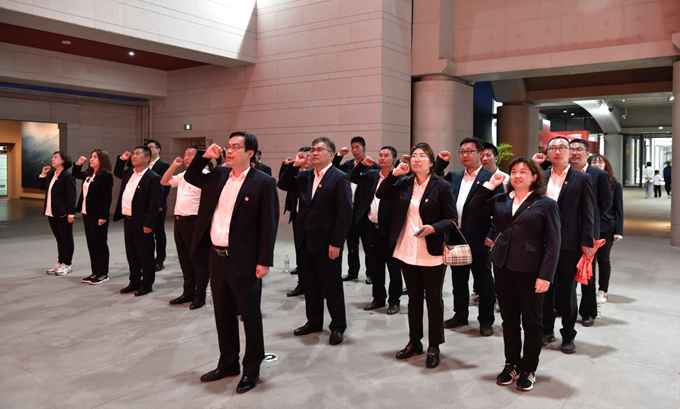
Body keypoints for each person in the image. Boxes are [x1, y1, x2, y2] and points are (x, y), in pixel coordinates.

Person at [185, 133, 279, 394]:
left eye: (236, 147)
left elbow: (269, 224)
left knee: (249, 316)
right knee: (223, 313)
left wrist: (264, 260)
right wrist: (205, 157)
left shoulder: (263, 182)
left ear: (250, 153)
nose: (229, 150)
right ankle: (228, 363)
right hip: (216, 256)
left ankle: (252, 369)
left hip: (245, 260)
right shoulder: (218, 175)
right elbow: (191, 176)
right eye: (228, 146)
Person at [468, 157, 560, 391]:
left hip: (531, 269)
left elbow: (553, 244)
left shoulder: (546, 204)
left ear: (534, 177)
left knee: (532, 322)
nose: (518, 175)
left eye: (523, 171)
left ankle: (529, 368)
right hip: (503, 266)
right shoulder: (500, 199)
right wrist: (490, 184)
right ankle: (512, 364)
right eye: (514, 171)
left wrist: (546, 275)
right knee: (509, 320)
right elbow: (473, 208)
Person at [376, 142, 457, 369]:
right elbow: (381, 193)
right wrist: (394, 174)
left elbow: (452, 220)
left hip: (431, 251)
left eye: (422, 156)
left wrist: (433, 228)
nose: (417, 159)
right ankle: (414, 341)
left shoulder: (442, 186)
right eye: (413, 156)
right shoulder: (404, 183)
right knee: (413, 299)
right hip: (407, 248)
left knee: (433, 300)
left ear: (431, 162)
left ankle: (434, 345)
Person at [278, 137, 353, 346]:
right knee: (310, 284)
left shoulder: (339, 177)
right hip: (305, 239)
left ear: (331, 154)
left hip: (328, 242)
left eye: (320, 150)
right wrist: (295, 165)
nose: (314, 153)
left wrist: (337, 242)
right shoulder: (304, 175)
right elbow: (283, 183)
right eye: (313, 150)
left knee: (332, 285)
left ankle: (338, 326)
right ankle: (314, 321)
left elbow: (345, 213)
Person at [436, 137, 504, 337]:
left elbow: (499, 210)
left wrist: (492, 233)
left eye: (469, 151)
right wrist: (441, 163)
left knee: (484, 282)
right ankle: (460, 315)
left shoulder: (491, 177)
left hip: (480, 237)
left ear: (480, 154)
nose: (465, 155)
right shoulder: (454, 176)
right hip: (456, 236)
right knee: (458, 279)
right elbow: (434, 181)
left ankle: (486, 320)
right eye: (462, 151)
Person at [533, 136, 594, 354]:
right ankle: (546, 330)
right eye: (553, 148)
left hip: (569, 243)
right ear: (547, 153)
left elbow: (588, 213)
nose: (557, 151)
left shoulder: (582, 178)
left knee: (567, 291)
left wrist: (587, 242)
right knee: (543, 289)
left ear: (569, 152)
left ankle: (568, 335)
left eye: (562, 148)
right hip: (542, 242)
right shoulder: (541, 177)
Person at [350, 146, 403, 315]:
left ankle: (394, 301)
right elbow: (352, 177)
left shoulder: (400, 178)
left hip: (391, 231)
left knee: (394, 269)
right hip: (371, 228)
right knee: (375, 266)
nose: (382, 158)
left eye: (386, 155)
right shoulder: (372, 175)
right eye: (380, 155)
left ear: (394, 159)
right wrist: (362, 165)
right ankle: (378, 298)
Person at [569, 139, 611, 327]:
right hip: (565, 230)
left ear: (588, 153)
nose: (574, 152)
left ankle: (588, 312)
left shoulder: (599, 175)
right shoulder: (564, 172)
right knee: (565, 272)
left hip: (589, 231)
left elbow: (606, 202)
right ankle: (564, 308)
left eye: (579, 149)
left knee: (587, 273)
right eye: (571, 149)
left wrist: (591, 218)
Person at [161, 146, 210, 310]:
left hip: (194, 222)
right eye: (185, 154)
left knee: (198, 260)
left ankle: (200, 295)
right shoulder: (183, 175)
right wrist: (174, 166)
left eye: (190, 155)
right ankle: (188, 292)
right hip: (179, 221)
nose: (186, 157)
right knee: (184, 259)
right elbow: (163, 181)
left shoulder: (205, 175)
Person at [113, 146, 162, 296]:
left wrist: (149, 223)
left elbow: (155, 203)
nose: (134, 156)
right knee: (131, 253)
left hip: (142, 221)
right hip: (128, 219)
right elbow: (117, 171)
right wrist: (122, 159)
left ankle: (147, 284)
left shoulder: (153, 177)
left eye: (138, 154)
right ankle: (134, 281)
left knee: (145, 254)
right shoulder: (129, 173)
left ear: (147, 158)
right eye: (133, 154)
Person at [334, 136, 380, 283]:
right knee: (352, 244)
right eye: (352, 147)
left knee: (368, 245)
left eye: (357, 147)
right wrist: (339, 155)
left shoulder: (373, 166)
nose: (354, 150)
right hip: (350, 210)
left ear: (364, 148)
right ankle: (352, 271)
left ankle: (371, 273)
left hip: (364, 210)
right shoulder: (348, 164)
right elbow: (334, 169)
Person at [73, 149, 114, 284]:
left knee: (100, 244)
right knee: (92, 243)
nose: (92, 159)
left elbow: (107, 198)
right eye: (91, 157)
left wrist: (103, 215)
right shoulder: (89, 174)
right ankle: (95, 272)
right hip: (87, 213)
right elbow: (75, 174)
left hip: (98, 215)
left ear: (102, 159)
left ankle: (103, 273)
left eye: (95, 157)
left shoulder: (105, 176)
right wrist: (78, 163)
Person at [589, 154, 623, 307]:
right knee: (588, 260)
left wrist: (618, 230)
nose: (597, 164)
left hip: (606, 227)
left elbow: (618, 208)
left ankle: (602, 290)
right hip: (589, 226)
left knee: (603, 259)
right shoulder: (585, 179)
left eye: (600, 162)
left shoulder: (614, 184)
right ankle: (588, 290)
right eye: (594, 162)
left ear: (606, 165)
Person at [279, 147, 313, 297]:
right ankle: (302, 284)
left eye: (308, 155)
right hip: (299, 218)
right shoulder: (300, 175)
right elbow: (282, 183)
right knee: (301, 253)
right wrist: (294, 165)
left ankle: (320, 287)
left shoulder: (324, 177)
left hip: (316, 223)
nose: (306, 158)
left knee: (315, 257)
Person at [38, 151, 77, 276]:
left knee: (66, 239)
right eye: (53, 157)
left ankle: (67, 264)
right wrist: (43, 174)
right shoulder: (53, 175)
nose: (52, 159)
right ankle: (60, 262)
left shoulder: (67, 176)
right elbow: (42, 187)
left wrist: (71, 213)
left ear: (63, 160)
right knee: (59, 239)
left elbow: (71, 195)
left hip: (63, 213)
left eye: (56, 157)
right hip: (52, 212)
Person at [146, 139, 171, 271]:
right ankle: (147, 259)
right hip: (145, 205)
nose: (149, 149)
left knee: (159, 233)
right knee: (146, 233)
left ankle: (160, 260)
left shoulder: (163, 166)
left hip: (158, 204)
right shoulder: (144, 165)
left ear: (158, 149)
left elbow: (165, 186)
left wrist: (160, 203)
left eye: (151, 147)